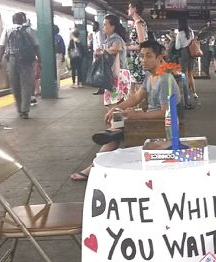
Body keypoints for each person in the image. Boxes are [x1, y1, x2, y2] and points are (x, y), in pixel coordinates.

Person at [70, 40, 179, 181]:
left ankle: (96, 165)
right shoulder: (150, 76)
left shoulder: (165, 80)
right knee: (115, 130)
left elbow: (167, 112)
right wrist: (117, 107)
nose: (143, 60)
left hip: (159, 125)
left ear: (159, 58)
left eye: (148, 56)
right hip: (150, 121)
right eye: (141, 56)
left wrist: (138, 116)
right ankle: (99, 160)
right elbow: (136, 97)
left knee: (115, 133)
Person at [0, 12, 40, 119]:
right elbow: (36, 47)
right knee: (26, 85)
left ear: (13, 20)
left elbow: (1, 46)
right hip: (26, 61)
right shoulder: (29, 30)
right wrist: (40, 60)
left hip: (12, 59)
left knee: (15, 85)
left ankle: (19, 108)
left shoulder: (7, 29)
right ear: (23, 20)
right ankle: (25, 110)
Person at [98, 14, 131, 106]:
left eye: (105, 24)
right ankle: (116, 119)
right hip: (113, 74)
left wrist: (102, 52)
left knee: (117, 103)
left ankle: (118, 120)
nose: (103, 27)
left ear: (112, 27)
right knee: (112, 102)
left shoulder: (115, 38)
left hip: (118, 74)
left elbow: (117, 49)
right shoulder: (109, 39)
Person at [127, 0, 149, 97]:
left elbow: (142, 43)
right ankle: (133, 109)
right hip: (135, 59)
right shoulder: (138, 22)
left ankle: (143, 109)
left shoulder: (139, 23)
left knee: (139, 87)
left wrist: (128, 47)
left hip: (138, 59)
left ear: (135, 9)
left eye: (129, 7)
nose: (127, 10)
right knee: (132, 86)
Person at [175, 18, 196, 99]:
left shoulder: (179, 33)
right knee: (190, 74)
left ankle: (185, 94)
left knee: (183, 74)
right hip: (191, 53)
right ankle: (194, 92)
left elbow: (177, 47)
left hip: (183, 53)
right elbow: (193, 41)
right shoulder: (191, 32)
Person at [90, 21, 105, 95]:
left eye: (94, 26)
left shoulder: (99, 33)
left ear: (97, 26)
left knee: (99, 71)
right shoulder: (95, 33)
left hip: (98, 54)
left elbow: (100, 44)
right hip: (96, 54)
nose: (92, 27)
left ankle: (101, 88)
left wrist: (98, 53)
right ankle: (100, 88)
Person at [54, 24, 66, 89]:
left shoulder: (49, 37)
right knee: (58, 69)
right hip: (59, 54)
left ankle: (52, 84)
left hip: (51, 55)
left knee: (52, 69)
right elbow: (62, 47)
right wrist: (63, 55)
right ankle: (57, 85)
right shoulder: (59, 37)